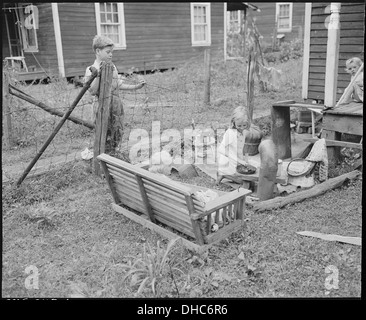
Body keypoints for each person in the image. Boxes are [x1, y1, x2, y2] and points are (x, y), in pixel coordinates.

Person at [84, 35, 146, 153]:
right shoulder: (91, 69)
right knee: (103, 131)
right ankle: (102, 156)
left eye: (111, 52)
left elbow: (118, 85)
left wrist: (136, 87)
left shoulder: (112, 67)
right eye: (108, 52)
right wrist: (97, 75)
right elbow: (92, 91)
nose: (111, 54)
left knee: (117, 130)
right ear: (98, 51)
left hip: (115, 103)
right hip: (101, 104)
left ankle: (113, 153)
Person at [216, 106, 256, 184]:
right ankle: (223, 173)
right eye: (239, 126)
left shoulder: (242, 132)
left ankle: (226, 174)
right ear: (233, 122)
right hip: (227, 162)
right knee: (243, 182)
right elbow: (220, 149)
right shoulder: (231, 133)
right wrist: (239, 160)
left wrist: (244, 160)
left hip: (235, 162)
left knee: (251, 180)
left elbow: (239, 149)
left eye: (244, 125)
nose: (242, 128)